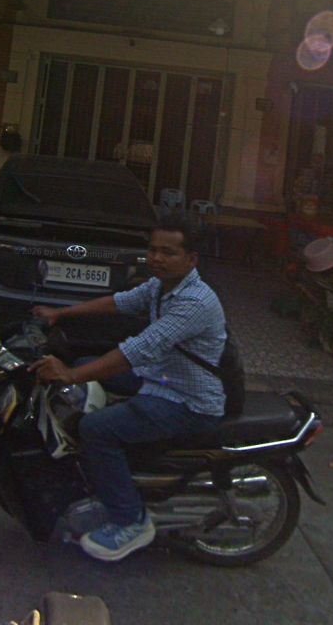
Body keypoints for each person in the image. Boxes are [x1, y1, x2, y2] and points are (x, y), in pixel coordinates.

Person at [30, 212, 227, 562]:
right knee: (86, 367)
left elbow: (138, 350)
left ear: (191, 259)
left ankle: (130, 520)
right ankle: (105, 471)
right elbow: (119, 302)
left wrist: (72, 376)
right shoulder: (162, 286)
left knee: (96, 429)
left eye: (168, 252)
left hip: (187, 400)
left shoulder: (195, 302)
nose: (157, 258)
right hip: (162, 376)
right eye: (153, 250)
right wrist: (62, 314)